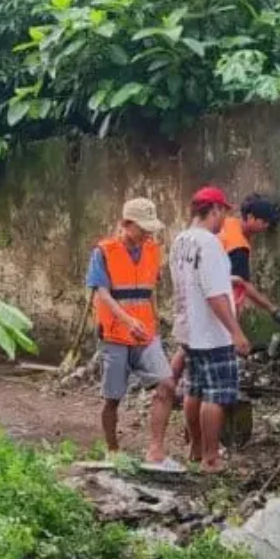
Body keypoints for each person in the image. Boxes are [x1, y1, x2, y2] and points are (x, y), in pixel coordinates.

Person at [87, 198, 176, 464]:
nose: (148, 233)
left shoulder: (153, 249)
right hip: (115, 333)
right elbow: (102, 292)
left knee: (167, 383)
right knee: (113, 397)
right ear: (126, 224)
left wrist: (155, 321)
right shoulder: (104, 252)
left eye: (151, 228)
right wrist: (126, 320)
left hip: (145, 332)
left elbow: (151, 291)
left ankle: (156, 450)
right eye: (143, 228)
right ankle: (113, 451)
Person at [170, 187, 251, 472]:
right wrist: (235, 332)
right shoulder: (210, 244)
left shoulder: (180, 241)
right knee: (215, 395)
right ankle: (210, 458)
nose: (223, 218)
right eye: (223, 212)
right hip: (211, 332)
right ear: (214, 209)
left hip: (188, 328)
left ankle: (195, 449)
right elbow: (215, 294)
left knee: (195, 389)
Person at [218, 194, 280, 319]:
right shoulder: (239, 246)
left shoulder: (230, 222)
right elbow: (244, 284)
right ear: (250, 217)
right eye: (264, 222)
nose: (267, 226)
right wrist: (272, 309)